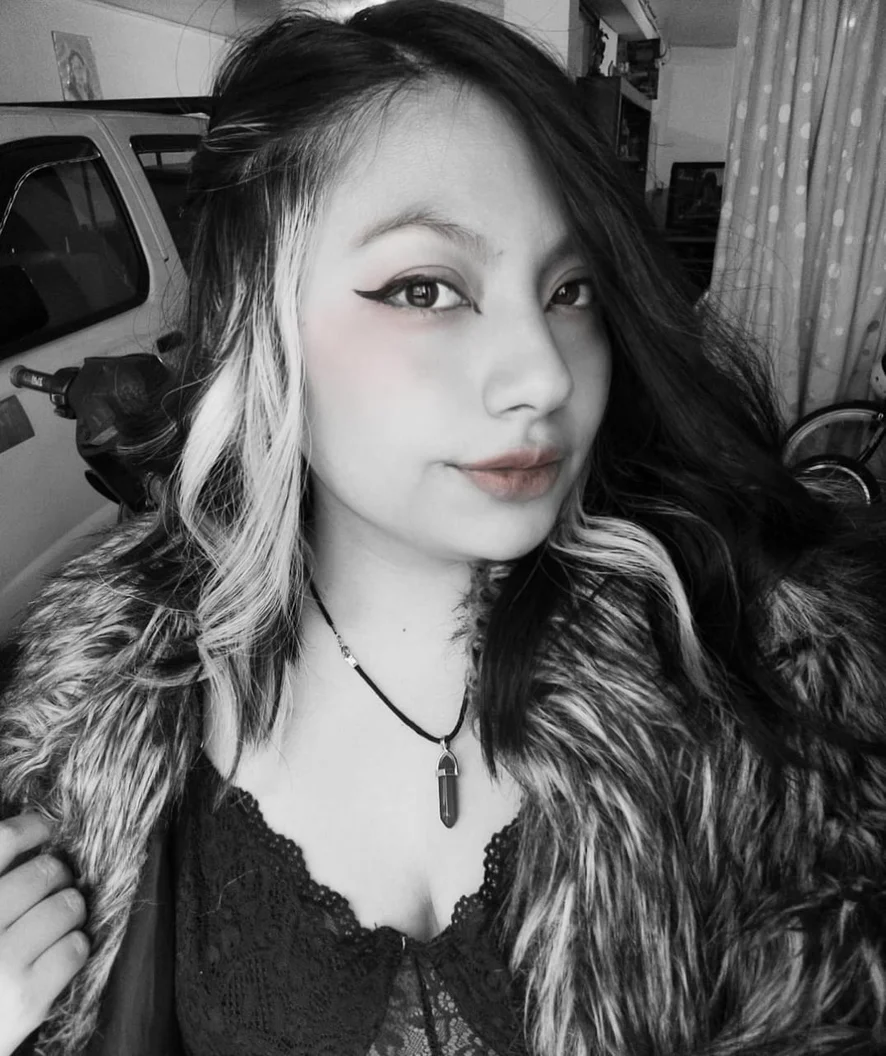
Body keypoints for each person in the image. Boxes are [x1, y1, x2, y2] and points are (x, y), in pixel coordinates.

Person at [2, 2, 886, 1054]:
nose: (544, 374)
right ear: (258, 320)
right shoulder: (99, 710)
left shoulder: (758, 683)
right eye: (427, 288)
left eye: (571, 290)